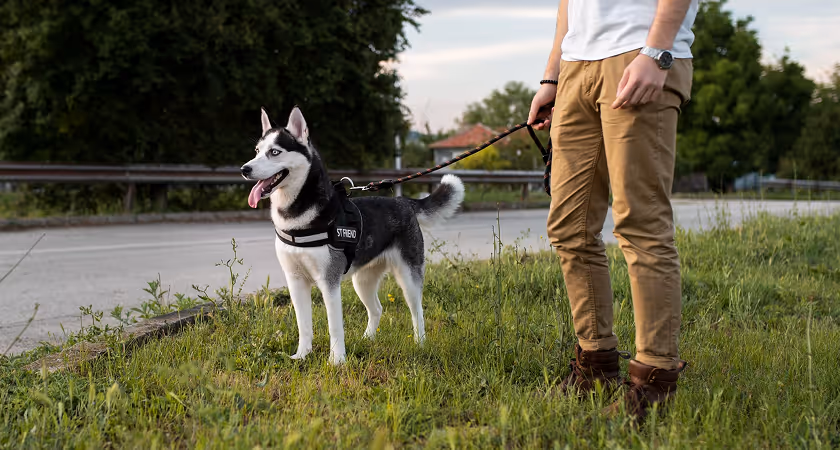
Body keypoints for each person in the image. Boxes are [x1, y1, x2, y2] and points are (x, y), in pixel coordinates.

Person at [527, 0, 699, 420]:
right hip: (576, 67)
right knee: (569, 228)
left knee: (640, 225)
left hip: (639, 53)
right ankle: (595, 367)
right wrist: (553, 75)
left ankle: (653, 385)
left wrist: (658, 52)